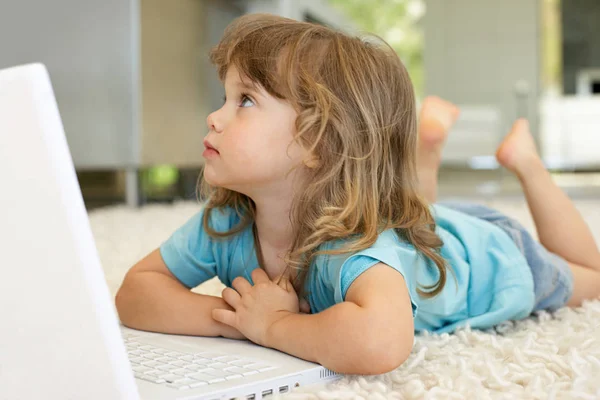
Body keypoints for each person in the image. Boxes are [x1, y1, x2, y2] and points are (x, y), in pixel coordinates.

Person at [115, 14, 600, 376]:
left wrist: (275, 328)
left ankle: (528, 166)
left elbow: (382, 342)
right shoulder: (228, 221)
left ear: (316, 142)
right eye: (223, 97)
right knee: (416, 217)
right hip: (417, 236)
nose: (214, 117)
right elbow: (136, 293)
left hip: (488, 259)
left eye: (245, 101)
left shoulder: (353, 247)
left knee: (593, 279)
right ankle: (426, 163)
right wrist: (238, 319)